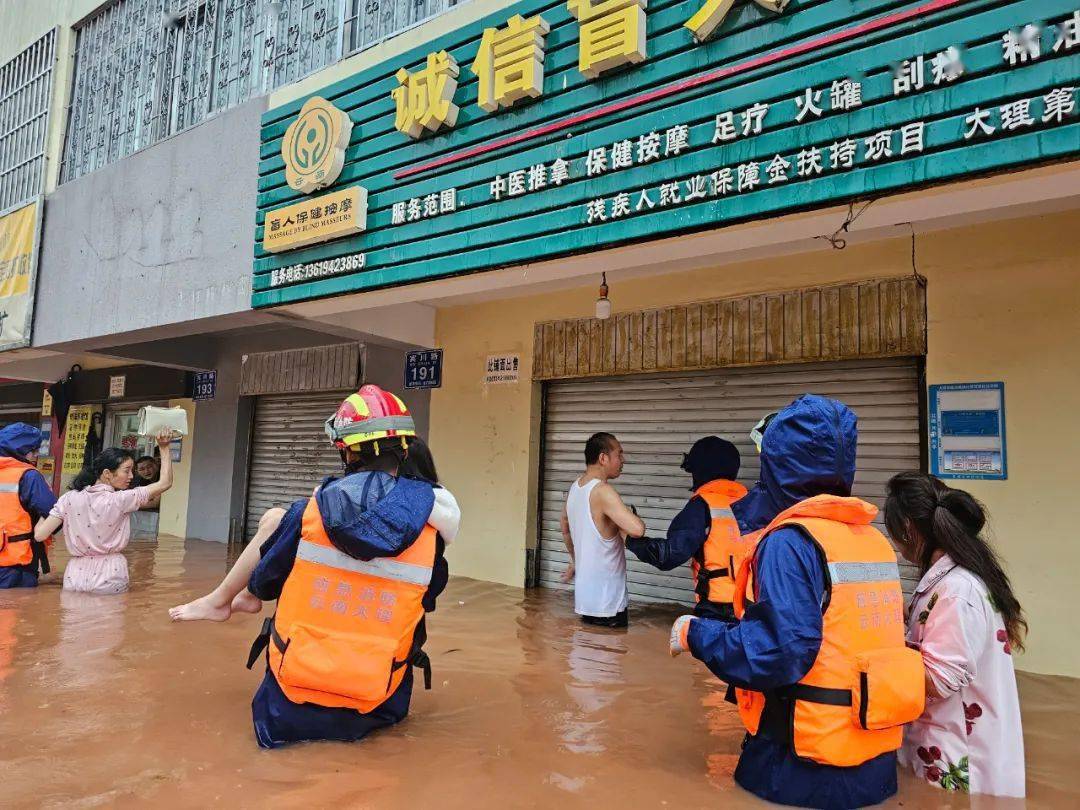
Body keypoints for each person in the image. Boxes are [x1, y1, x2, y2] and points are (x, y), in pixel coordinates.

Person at [667, 395, 924, 809]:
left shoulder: (790, 541)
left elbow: (776, 653)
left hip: (801, 766)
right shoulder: (871, 540)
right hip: (874, 763)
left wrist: (695, 633)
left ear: (776, 463)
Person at [170, 386, 459, 750]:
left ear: (347, 451)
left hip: (288, 709)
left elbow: (264, 581)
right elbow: (428, 600)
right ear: (405, 448)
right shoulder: (432, 534)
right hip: (380, 708)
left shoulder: (306, 513)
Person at [168, 435, 460, 624]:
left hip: (324, 619)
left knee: (276, 520)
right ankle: (229, 598)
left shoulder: (327, 508)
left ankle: (226, 598)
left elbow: (274, 570)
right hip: (383, 640)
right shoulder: (433, 534)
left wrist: (256, 588)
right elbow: (429, 597)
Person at [886, 473, 1026, 797]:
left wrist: (876, 661)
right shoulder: (953, 580)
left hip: (957, 762)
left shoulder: (955, 591)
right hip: (954, 752)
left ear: (907, 528)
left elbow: (940, 678)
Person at [33, 430, 176, 594]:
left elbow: (39, 535)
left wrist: (43, 507)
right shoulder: (122, 499)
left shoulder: (68, 498)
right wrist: (164, 447)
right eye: (127, 470)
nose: (131, 476)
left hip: (74, 576)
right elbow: (165, 482)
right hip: (110, 574)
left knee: (73, 618)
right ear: (107, 473)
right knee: (110, 618)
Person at [626, 436, 746, 620]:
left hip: (718, 611)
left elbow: (669, 555)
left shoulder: (702, 506)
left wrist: (631, 540)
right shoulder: (755, 501)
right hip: (755, 607)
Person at [561, 432, 644, 628]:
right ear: (603, 458)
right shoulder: (602, 491)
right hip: (609, 605)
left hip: (584, 601)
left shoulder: (575, 487)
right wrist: (633, 513)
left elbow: (565, 527)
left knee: (584, 654)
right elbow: (637, 530)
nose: (622, 460)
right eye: (619, 454)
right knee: (611, 656)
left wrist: (575, 561)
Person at [0, 423, 58, 588]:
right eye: (33, 450)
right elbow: (54, 512)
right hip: (15, 564)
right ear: (21, 451)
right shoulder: (28, 476)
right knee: (15, 610)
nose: (36, 455)